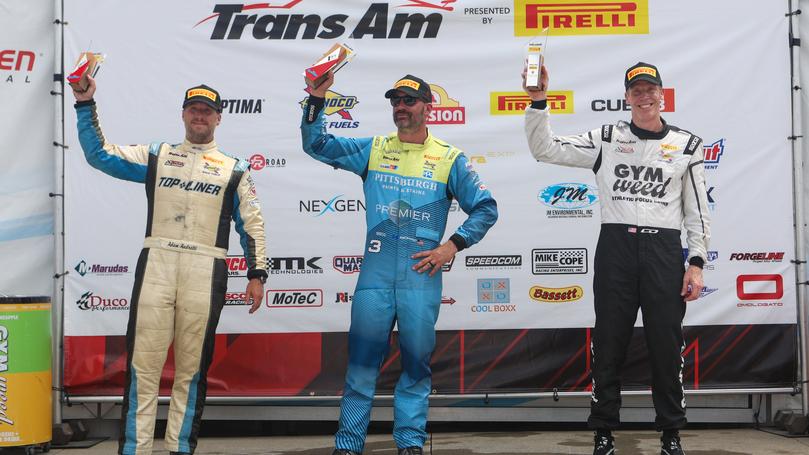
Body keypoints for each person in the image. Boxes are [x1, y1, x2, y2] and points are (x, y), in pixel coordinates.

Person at [301, 72, 498, 455]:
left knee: (416, 366)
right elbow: (317, 143)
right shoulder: (373, 149)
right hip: (374, 280)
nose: (401, 107)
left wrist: (451, 246)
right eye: (396, 101)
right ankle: (348, 445)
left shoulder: (449, 158)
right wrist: (317, 99)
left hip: (419, 280)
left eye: (409, 101)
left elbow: (485, 209)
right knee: (360, 366)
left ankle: (410, 443)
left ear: (428, 107)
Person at [72, 77, 268, 455]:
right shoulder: (158, 156)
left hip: (206, 268)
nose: (200, 116)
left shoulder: (235, 169)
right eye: (194, 109)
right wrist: (85, 104)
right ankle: (135, 450)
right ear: (183, 115)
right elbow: (99, 155)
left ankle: (180, 449)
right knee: (143, 368)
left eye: (207, 111)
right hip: (157, 264)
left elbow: (252, 225)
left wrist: (257, 274)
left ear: (219, 118)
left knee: (191, 372)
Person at [523, 62, 710, 455]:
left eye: (650, 89)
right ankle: (603, 432)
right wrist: (539, 101)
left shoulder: (688, 145)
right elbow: (545, 149)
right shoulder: (607, 138)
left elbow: (697, 213)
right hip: (616, 248)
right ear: (627, 97)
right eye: (636, 90)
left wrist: (696, 263)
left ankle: (671, 434)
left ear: (662, 95)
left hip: (663, 251)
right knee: (608, 344)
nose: (644, 96)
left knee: (666, 346)